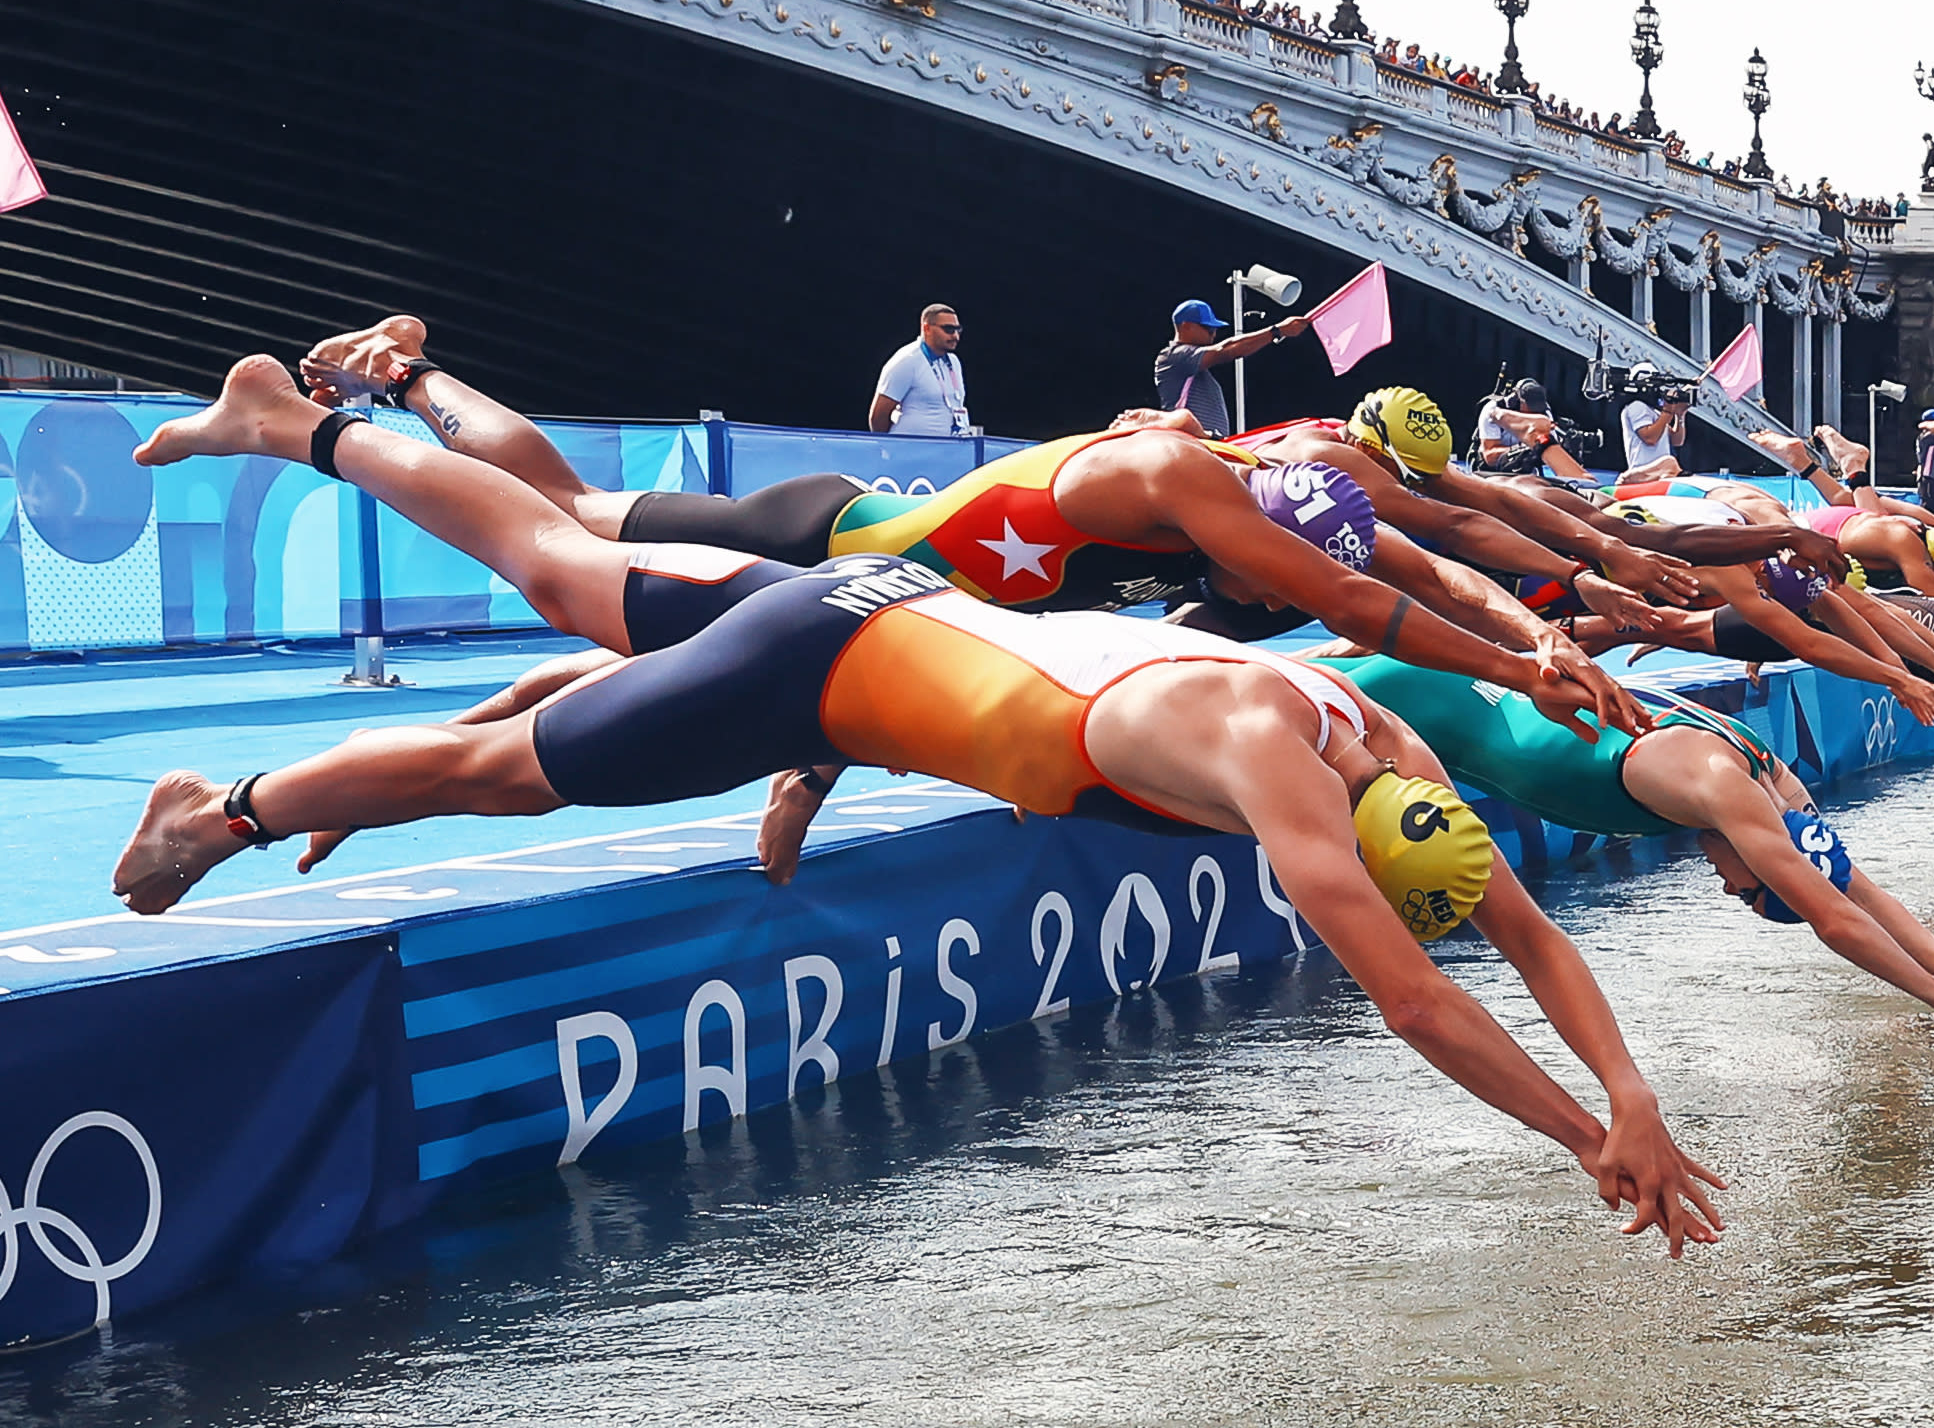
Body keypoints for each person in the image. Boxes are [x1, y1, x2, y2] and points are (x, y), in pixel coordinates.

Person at [113, 360, 1725, 1255]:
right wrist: (1586, 1134)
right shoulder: (1276, 768)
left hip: (871, 607)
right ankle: (221, 810)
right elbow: (1423, 995)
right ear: (1339, 834)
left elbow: (1505, 919)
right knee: (498, 776)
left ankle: (300, 423)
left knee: (555, 563)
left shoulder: (1370, 739)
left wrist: (1632, 1095)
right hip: (818, 672)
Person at [294, 320, 1642, 733]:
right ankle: (391, 388)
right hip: (837, 550)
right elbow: (1359, 599)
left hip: (861, 547)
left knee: (588, 557)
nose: (1257, 586)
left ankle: (404, 382)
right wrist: (1531, 665)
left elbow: (1413, 561)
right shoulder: (1184, 488)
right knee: (564, 541)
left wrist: (1540, 627)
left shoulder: (1235, 472)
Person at [1315, 658, 1934, 1066]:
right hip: (1403, 699)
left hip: (1426, 700)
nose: (1728, 890)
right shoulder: (1725, 787)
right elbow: (1833, 917)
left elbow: (1852, 886)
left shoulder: (1772, 780)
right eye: (1751, 895)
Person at [1154, 297, 1310, 439]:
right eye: (1208, 328)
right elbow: (1225, 350)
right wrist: (1277, 331)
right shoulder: (1174, 356)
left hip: (1206, 444)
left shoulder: (1189, 364)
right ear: (1186, 326)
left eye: (1214, 329)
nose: (1213, 334)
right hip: (1191, 444)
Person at [871, 303, 969, 436]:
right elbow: (878, 416)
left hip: (948, 450)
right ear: (927, 328)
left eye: (958, 330)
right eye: (948, 329)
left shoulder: (954, 362)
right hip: (911, 451)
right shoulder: (907, 360)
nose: (955, 336)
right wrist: (890, 445)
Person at [1616, 373, 1690, 483]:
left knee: (1670, 463)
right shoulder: (1637, 406)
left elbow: (1676, 441)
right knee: (1670, 462)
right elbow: (1650, 438)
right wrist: (1667, 412)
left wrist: (1679, 415)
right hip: (1643, 473)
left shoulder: (1654, 412)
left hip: (1660, 474)